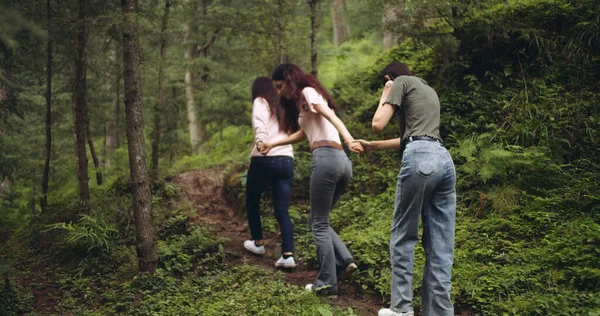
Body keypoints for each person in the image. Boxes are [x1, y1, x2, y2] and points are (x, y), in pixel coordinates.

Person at [355, 61, 457, 316]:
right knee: (440, 245)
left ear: (390, 77)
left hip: (420, 158)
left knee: (403, 236)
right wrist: (372, 146)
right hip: (443, 160)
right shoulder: (427, 89)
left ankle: (401, 309)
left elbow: (378, 123)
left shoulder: (398, 83)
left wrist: (385, 92)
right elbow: (410, 138)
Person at [260, 63, 361, 296]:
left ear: (289, 79)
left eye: (279, 86)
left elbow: (330, 114)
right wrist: (272, 144)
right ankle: (345, 261)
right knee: (318, 220)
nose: (279, 91)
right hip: (339, 162)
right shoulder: (303, 103)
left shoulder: (307, 91)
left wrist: (349, 138)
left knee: (318, 223)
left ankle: (327, 283)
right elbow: (301, 134)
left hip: (327, 157)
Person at [243, 76, 296, 269]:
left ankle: (258, 243)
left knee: (252, 200)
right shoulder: (284, 104)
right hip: (286, 158)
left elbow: (260, 124)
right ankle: (288, 255)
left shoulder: (261, 101)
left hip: (264, 157)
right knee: (282, 209)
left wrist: (261, 143)